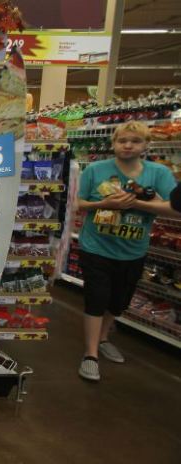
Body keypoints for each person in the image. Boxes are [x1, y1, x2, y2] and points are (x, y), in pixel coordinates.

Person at [76, 120, 178, 382]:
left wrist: (140, 205)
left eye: (135, 141)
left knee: (119, 302)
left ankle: (103, 337)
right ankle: (90, 354)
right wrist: (106, 203)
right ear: (113, 144)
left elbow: (173, 207)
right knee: (96, 297)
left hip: (133, 249)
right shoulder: (96, 170)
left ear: (146, 145)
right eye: (122, 141)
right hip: (95, 246)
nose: (128, 146)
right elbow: (78, 203)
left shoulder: (158, 174)